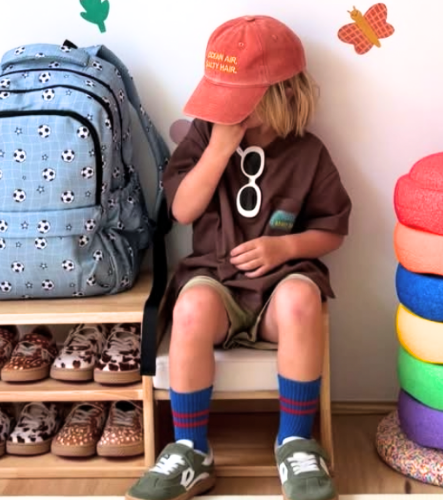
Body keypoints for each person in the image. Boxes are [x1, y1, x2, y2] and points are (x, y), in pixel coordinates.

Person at [126, 15, 351, 500]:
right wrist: (220, 149)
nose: (227, 113)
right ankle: (191, 450)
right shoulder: (205, 138)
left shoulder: (309, 153)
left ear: (286, 95)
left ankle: (295, 440)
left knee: (300, 301)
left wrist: (285, 248)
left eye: (240, 103)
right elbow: (183, 209)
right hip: (216, 284)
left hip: (280, 290)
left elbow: (332, 230)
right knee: (189, 308)